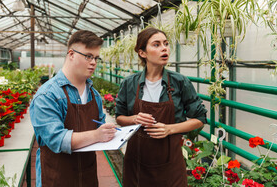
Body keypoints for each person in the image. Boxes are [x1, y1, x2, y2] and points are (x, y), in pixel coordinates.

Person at [115, 27, 207, 187]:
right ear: (142, 52)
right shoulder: (130, 84)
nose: (164, 48)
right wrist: (134, 118)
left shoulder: (180, 82)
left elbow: (199, 119)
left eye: (166, 43)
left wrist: (169, 129)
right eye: (156, 45)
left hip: (170, 163)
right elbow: (120, 118)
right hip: (137, 163)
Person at [30, 30, 117, 187]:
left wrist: (110, 133)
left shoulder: (94, 95)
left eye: (96, 58)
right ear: (71, 54)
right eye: (88, 56)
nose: (93, 62)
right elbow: (57, 139)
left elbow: (100, 127)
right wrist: (97, 135)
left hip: (87, 175)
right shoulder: (48, 95)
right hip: (57, 177)